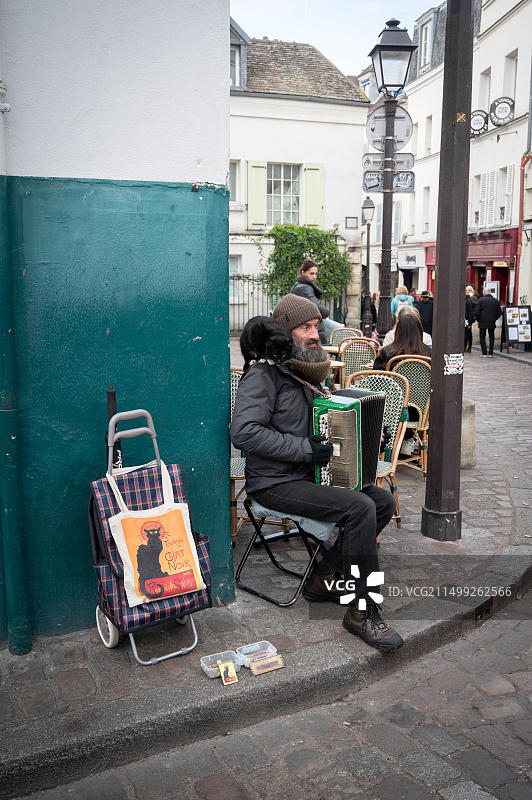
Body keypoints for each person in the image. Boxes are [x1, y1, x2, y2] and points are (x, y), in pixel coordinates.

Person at [231, 294, 403, 651]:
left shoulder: (308, 372)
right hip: (274, 483)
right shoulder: (264, 375)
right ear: (285, 332)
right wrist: (305, 449)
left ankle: (323, 575)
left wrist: (369, 435)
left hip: (309, 477)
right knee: (360, 508)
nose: (314, 334)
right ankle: (362, 610)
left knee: (381, 501)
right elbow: (243, 432)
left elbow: (332, 424)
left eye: (316, 327)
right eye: (304, 327)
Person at [372, 313, 432, 455]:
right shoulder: (429, 354)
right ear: (420, 332)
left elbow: (377, 381)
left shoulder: (386, 353)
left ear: (397, 332)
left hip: (392, 412)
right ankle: (409, 440)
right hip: (421, 414)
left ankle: (395, 443)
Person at [290, 258, 330, 343]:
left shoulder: (298, 285)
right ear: (303, 272)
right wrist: (326, 311)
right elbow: (318, 309)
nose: (314, 277)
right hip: (309, 331)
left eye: (316, 274)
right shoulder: (304, 287)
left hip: (305, 329)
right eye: (311, 273)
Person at [475, 288, 502, 357]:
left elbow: (477, 312)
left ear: (484, 293)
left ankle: (484, 353)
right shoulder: (496, 301)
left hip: (482, 321)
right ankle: (491, 353)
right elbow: (499, 312)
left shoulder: (481, 300)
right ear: (490, 293)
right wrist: (494, 319)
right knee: (491, 337)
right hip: (492, 321)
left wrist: (478, 319)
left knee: (482, 337)